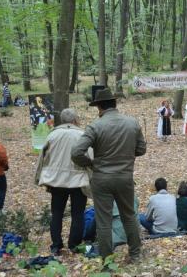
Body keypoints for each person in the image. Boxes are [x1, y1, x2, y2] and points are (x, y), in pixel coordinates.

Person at [71, 88, 146, 263]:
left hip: (101, 179)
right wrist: (126, 156)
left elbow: (76, 152)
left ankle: (107, 260)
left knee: (103, 220)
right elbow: (142, 149)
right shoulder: (132, 123)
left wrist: (90, 163)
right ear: (115, 103)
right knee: (129, 216)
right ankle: (135, 255)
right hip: (125, 177)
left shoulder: (95, 126)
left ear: (99, 107)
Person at [35, 109, 90, 255]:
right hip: (78, 180)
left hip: (56, 181)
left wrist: (39, 177)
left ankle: (56, 245)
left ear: (62, 119)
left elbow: (43, 157)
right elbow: (90, 157)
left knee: (57, 213)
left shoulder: (52, 135)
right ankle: (74, 245)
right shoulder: (82, 135)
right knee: (78, 213)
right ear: (75, 119)